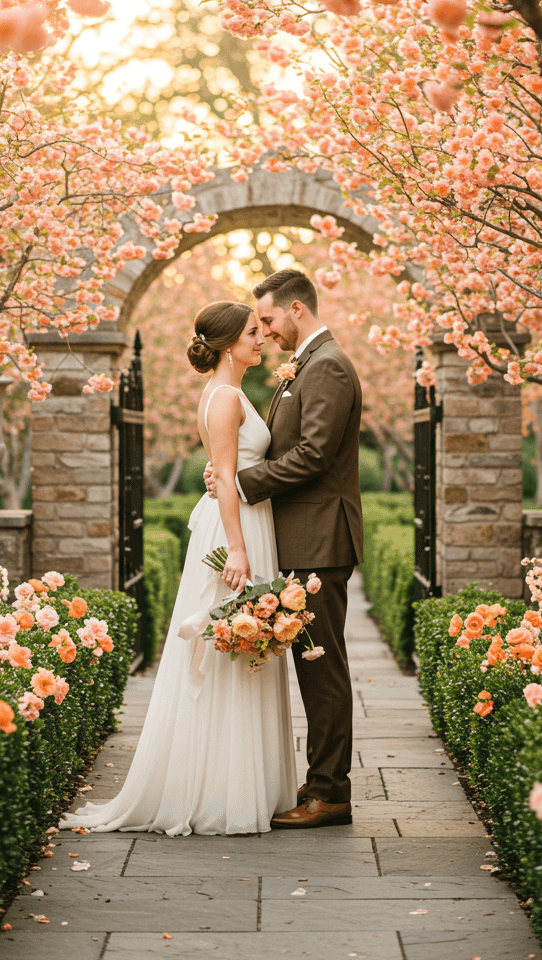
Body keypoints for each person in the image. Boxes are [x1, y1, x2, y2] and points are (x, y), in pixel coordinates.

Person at [60, 300, 296, 837]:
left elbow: (227, 474)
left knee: (242, 647)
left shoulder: (230, 394)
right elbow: (230, 479)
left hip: (244, 521)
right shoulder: (224, 398)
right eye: (253, 333)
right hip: (234, 530)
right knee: (226, 649)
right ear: (229, 342)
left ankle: (247, 785)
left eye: (261, 331)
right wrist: (237, 550)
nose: (262, 339)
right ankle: (220, 792)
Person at [208, 267, 362, 829]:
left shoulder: (328, 367)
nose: (266, 331)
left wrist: (245, 483)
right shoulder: (309, 365)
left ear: (297, 309)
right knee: (310, 663)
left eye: (269, 319)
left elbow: (315, 455)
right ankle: (321, 781)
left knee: (322, 667)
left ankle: (330, 793)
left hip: (319, 540)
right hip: (300, 535)